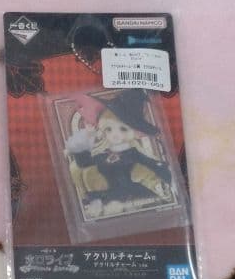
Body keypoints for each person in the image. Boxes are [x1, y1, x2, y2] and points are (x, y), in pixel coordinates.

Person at [63, 89, 173, 218]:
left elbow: (149, 163)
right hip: (107, 192)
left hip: (127, 191)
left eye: (123, 129)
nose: (114, 135)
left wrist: (164, 171)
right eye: (108, 129)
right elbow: (84, 163)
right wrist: (87, 138)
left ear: (135, 132)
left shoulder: (132, 152)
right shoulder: (102, 153)